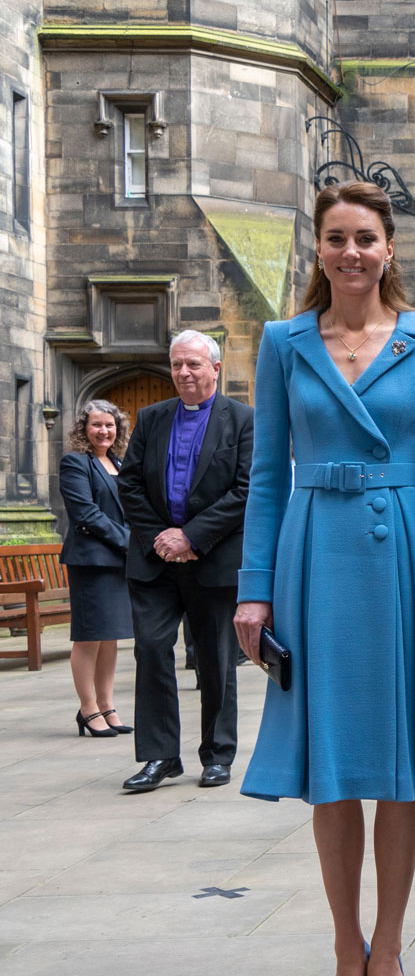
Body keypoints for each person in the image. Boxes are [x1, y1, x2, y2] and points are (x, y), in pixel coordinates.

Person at [233, 181, 415, 976]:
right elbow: (267, 475)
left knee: (397, 760)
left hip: (404, 555)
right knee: (332, 766)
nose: (351, 252)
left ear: (389, 249)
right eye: (336, 238)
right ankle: (345, 947)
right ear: (318, 249)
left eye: (366, 238)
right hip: (313, 555)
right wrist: (253, 589)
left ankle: (389, 943)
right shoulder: (282, 341)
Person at [117, 330, 253, 792]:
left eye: (193, 364)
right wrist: (161, 537)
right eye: (177, 365)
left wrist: (193, 536)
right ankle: (160, 757)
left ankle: (217, 755)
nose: (183, 373)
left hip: (211, 559)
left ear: (216, 368)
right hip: (155, 561)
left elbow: (247, 488)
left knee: (215, 659)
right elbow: (130, 482)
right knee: (151, 651)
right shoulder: (151, 417)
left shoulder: (244, 420)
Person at [59, 399, 134, 737]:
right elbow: (86, 514)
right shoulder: (75, 463)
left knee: (110, 637)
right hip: (90, 560)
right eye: (96, 425)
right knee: (89, 636)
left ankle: (107, 706)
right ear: (83, 429)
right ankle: (88, 709)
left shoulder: (118, 463)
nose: (104, 430)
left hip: (116, 560)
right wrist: (130, 541)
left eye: (109, 425)